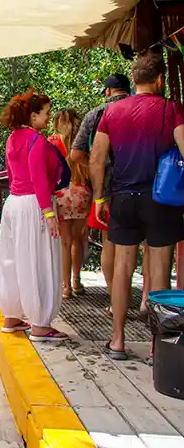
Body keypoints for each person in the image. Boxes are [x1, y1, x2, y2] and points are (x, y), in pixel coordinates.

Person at [90, 53, 184, 359]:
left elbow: (96, 157)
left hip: (123, 198)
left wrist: (99, 199)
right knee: (158, 271)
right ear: (159, 80)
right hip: (161, 199)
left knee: (122, 269)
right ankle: (158, 346)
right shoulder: (172, 109)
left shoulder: (113, 111)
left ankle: (117, 340)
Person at [0, 89, 69, 342]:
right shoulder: (36, 141)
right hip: (34, 204)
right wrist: (49, 213)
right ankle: (40, 323)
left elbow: (11, 176)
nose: (49, 118)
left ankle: (12, 316)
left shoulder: (12, 139)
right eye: (46, 113)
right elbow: (39, 179)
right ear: (34, 115)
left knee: (12, 260)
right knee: (39, 260)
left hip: (13, 203)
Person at [71, 74, 131, 311]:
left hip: (105, 188)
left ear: (108, 92)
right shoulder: (141, 109)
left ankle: (115, 299)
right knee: (141, 246)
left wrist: (95, 170)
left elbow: (75, 154)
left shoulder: (96, 114)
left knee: (110, 243)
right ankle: (147, 300)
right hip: (142, 184)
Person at [50, 110, 91, 299]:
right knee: (79, 239)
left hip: (61, 195)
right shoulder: (83, 144)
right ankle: (76, 281)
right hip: (82, 193)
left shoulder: (52, 142)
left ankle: (65, 287)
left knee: (64, 242)